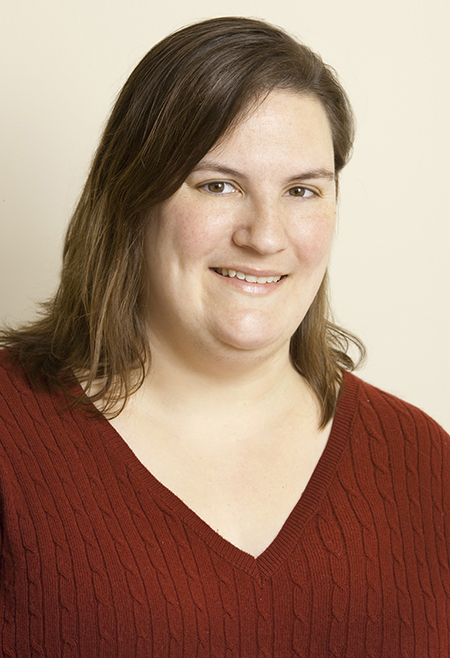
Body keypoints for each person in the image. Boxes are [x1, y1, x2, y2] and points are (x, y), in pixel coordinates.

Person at [0, 16, 449, 658]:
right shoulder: (10, 442)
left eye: (302, 190)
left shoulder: (425, 465)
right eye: (218, 184)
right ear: (132, 197)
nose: (266, 236)